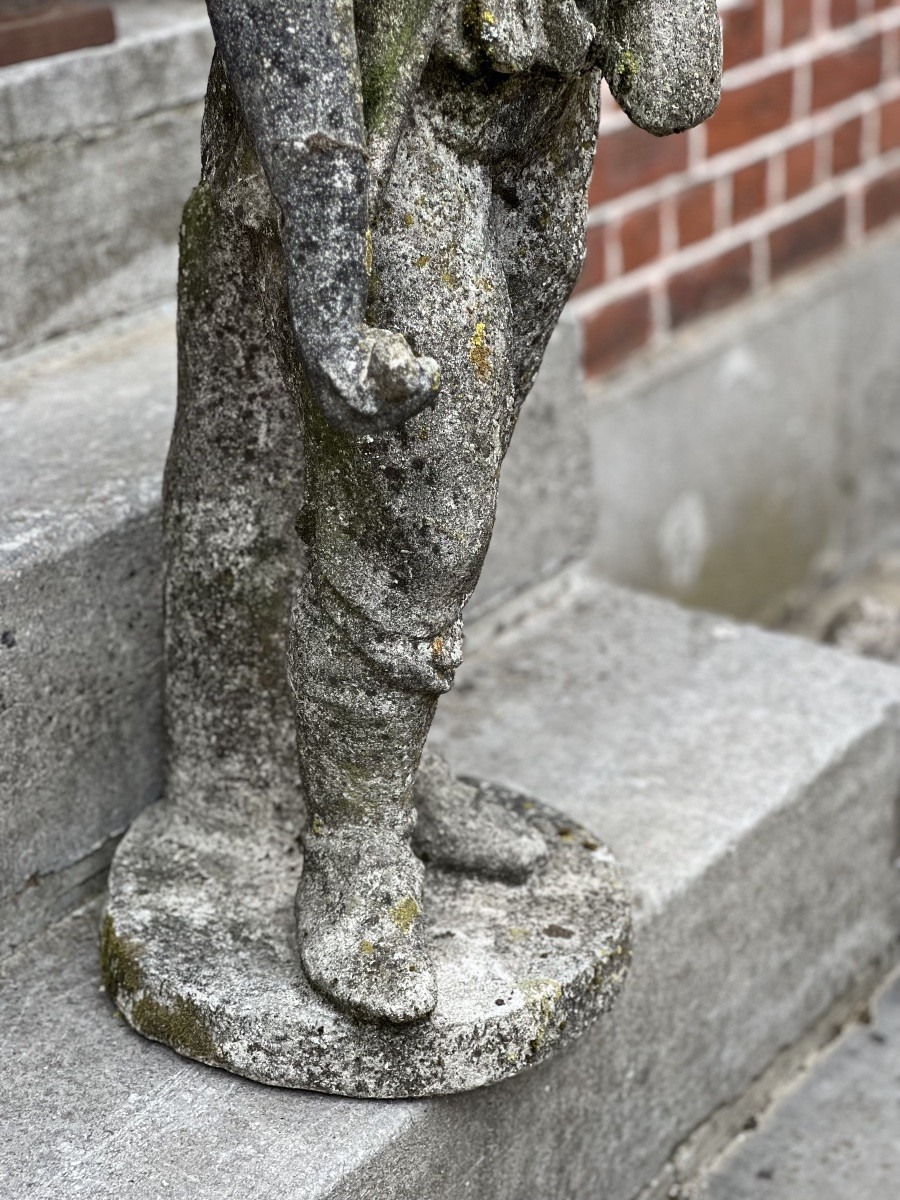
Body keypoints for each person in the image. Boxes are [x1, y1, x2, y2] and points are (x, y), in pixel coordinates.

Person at [163, 0, 721, 1025]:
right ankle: (356, 846)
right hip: (386, 123)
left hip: (535, 121)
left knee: (459, 481)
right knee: (428, 514)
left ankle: (390, 776)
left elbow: (675, 88)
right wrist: (331, 290)